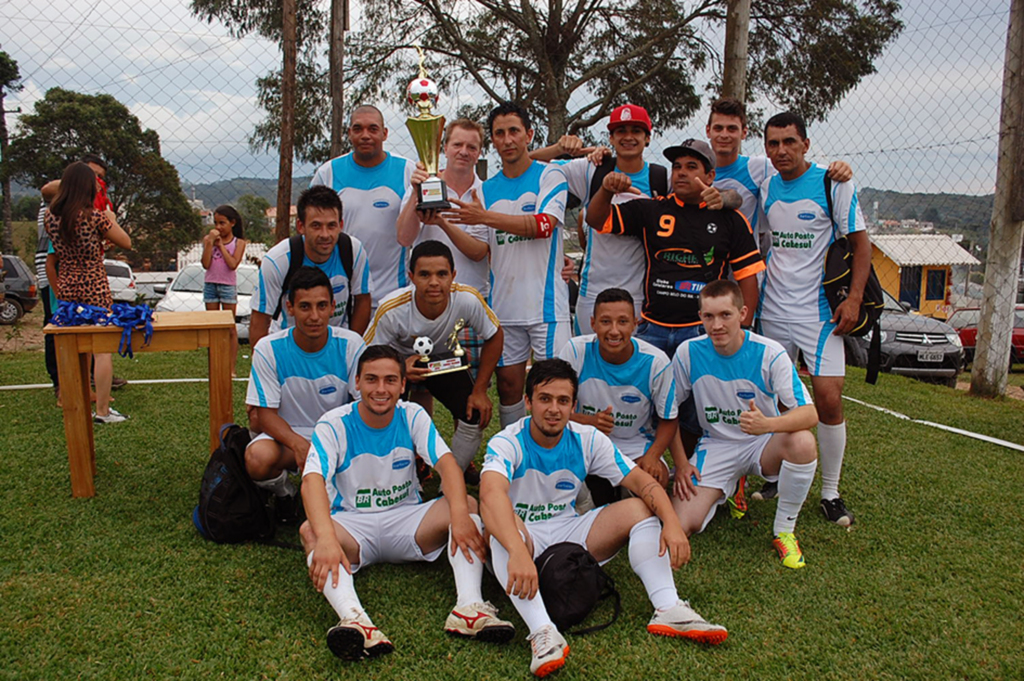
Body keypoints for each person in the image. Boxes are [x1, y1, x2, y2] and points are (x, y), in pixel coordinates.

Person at [480, 359, 726, 678]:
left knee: (640, 508)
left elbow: (642, 482)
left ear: (573, 405)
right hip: (522, 534)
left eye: (563, 400)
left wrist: (672, 523)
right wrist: (516, 550)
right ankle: (543, 632)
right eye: (544, 399)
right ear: (528, 402)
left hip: (569, 529)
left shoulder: (587, 438)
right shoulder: (507, 441)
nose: (554, 409)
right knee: (499, 525)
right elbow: (490, 495)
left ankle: (668, 607)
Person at [300, 344, 514, 661]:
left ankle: (469, 607)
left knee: (465, 505)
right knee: (312, 531)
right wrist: (329, 537)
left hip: (408, 522)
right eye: (371, 380)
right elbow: (311, 481)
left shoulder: (412, 414)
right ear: (356, 382)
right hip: (353, 527)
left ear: (403, 385)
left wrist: (459, 514)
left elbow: (447, 465)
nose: (381, 389)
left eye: (390, 380)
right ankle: (355, 621)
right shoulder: (333, 423)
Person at [584, 139, 765, 460]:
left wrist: (744, 327)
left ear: (710, 177)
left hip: (702, 334)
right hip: (652, 330)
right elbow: (597, 220)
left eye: (691, 167)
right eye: (676, 167)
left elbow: (747, 275)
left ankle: (700, 470)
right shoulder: (653, 209)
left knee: (700, 411)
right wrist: (606, 190)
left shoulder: (731, 218)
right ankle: (642, 464)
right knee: (646, 405)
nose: (680, 173)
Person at [755, 111, 871, 527]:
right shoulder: (765, 183)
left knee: (827, 399)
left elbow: (861, 245)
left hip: (819, 312)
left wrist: (854, 299)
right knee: (777, 397)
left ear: (805, 143)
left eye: (789, 142)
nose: (781, 150)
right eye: (773, 143)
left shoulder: (832, 182)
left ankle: (831, 492)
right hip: (773, 307)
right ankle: (776, 471)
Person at [671, 280, 818, 568]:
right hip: (717, 445)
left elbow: (810, 414)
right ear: (700, 317)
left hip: (762, 443)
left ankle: (784, 531)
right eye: (708, 316)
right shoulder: (688, 353)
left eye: (725, 315)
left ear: (743, 314)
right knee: (682, 523)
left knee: (802, 442)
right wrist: (681, 464)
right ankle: (732, 483)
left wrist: (768, 424)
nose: (717, 325)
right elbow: (668, 412)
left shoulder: (769, 353)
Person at [444, 102, 570, 429]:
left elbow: (544, 225)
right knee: (510, 388)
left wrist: (483, 216)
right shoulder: (487, 189)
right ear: (494, 142)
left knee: (554, 389)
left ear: (529, 135)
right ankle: (513, 459)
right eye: (499, 133)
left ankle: (557, 464)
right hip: (504, 307)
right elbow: (479, 250)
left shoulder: (550, 174)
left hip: (546, 308)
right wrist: (444, 224)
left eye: (514, 131)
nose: (507, 139)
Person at [364, 240, 503, 478]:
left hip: (442, 358)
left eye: (442, 274)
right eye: (425, 275)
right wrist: (399, 369)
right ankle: (398, 468)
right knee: (379, 410)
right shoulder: (392, 309)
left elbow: (495, 334)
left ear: (453, 275)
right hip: (395, 364)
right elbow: (367, 356)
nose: (434, 283)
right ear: (411, 277)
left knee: (474, 413)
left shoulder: (467, 298)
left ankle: (452, 477)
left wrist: (480, 390)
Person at [245, 267, 366, 523]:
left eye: (322, 306)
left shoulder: (352, 344)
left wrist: (331, 443)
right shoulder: (268, 348)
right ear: (289, 308)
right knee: (257, 459)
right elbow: (265, 415)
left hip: (338, 436)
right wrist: (298, 443)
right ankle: (284, 493)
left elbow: (362, 406)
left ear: (333, 306)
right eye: (305, 307)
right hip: (289, 439)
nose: (315, 316)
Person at [558, 288, 691, 506]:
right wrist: (589, 422)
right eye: (605, 321)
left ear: (635, 323)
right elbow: (552, 408)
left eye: (622, 322)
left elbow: (668, 418)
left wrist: (653, 456)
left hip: (636, 446)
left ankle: (626, 492)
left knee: (654, 481)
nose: (614, 331)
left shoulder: (656, 362)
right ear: (593, 323)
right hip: (586, 442)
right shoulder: (576, 350)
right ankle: (598, 495)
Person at [396, 118, 492, 376]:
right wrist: (417, 192)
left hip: (468, 304)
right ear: (445, 148)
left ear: (479, 152)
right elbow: (404, 238)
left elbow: (478, 251)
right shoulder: (423, 185)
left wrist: (442, 220)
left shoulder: (485, 192)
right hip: (424, 304)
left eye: (472, 147)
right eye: (457, 144)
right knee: (422, 384)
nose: (464, 151)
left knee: (467, 388)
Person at [44, 161, 132, 423]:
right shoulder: (95, 216)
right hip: (94, 285)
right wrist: (112, 219)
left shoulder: (52, 217)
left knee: (78, 348)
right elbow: (126, 242)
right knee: (101, 350)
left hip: (68, 286)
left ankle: (79, 399)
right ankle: (103, 411)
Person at [706, 97, 852, 253]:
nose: (724, 135)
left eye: (732, 129)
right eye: (718, 128)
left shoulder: (760, 168)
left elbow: (798, 170)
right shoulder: (692, 171)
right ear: (708, 131)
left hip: (744, 269)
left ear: (744, 132)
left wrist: (839, 167)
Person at [310, 105, 417, 307]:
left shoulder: (407, 171)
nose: (365, 135)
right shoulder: (328, 173)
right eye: (358, 129)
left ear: (385, 134)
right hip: (341, 298)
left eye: (373, 129)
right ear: (349, 133)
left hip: (392, 297)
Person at [250, 185, 372, 348]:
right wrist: (261, 363)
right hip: (289, 346)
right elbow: (260, 318)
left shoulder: (352, 251)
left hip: (335, 345)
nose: (325, 234)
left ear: (341, 224)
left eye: (331, 225)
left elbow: (363, 300)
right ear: (301, 226)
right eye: (316, 226)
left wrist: (351, 347)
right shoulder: (278, 260)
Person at [201, 204, 247, 376]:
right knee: (213, 327)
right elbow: (206, 264)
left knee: (229, 328)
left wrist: (220, 246)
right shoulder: (209, 241)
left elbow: (233, 264)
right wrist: (209, 244)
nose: (218, 227)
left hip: (227, 286)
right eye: (216, 223)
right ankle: (214, 365)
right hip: (210, 285)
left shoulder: (239, 243)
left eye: (222, 223)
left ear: (232, 223)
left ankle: (230, 367)